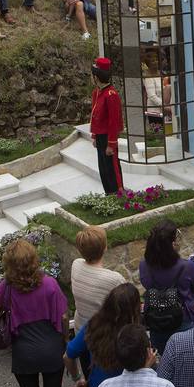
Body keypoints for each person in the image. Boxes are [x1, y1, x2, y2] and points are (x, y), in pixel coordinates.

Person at [0, 238, 68, 387]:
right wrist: (64, 340)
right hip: (51, 348)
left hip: (23, 352)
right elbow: (64, 316)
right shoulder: (50, 284)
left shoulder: (6, 287)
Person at [140, 219, 194, 352]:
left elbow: (146, 284)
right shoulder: (186, 266)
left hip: (156, 320)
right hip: (183, 320)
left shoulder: (144, 265)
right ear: (172, 243)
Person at [70, 225, 126, 331]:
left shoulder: (76, 265)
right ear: (105, 248)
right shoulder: (115, 279)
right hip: (101, 335)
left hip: (80, 329)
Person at [90, 57, 125, 193]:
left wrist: (111, 143)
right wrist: (94, 135)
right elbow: (94, 116)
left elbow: (113, 121)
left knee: (112, 168)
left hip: (108, 137)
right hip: (100, 136)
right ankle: (109, 194)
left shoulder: (111, 95)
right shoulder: (97, 93)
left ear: (97, 77)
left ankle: (118, 193)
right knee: (103, 168)